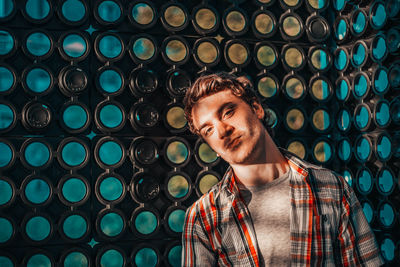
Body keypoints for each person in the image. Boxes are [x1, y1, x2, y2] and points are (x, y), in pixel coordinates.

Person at [181, 72, 384, 266]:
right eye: (208, 130)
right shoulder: (203, 216)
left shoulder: (331, 187)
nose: (222, 131)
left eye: (228, 112)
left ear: (256, 108)